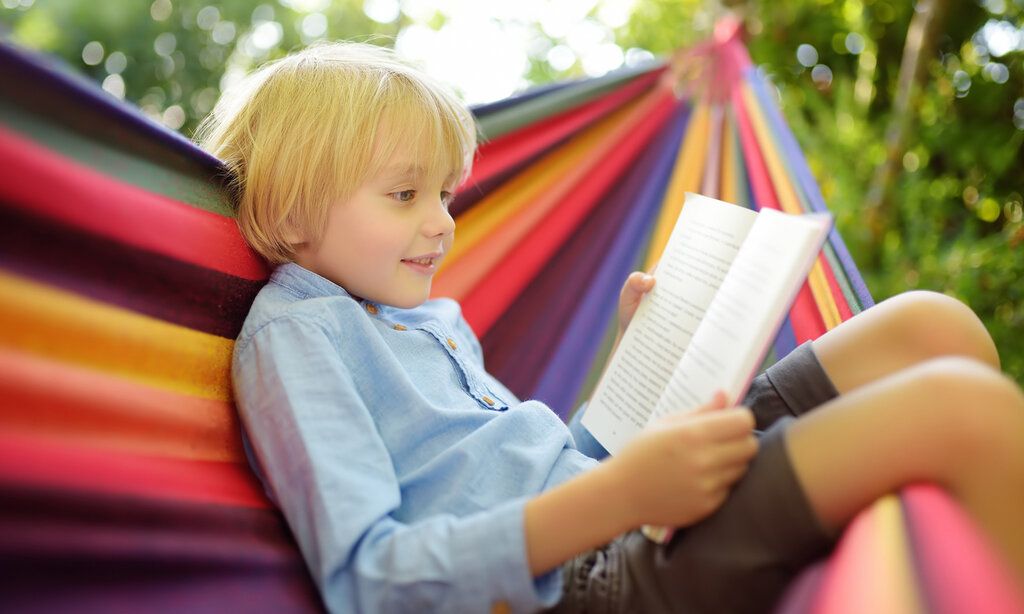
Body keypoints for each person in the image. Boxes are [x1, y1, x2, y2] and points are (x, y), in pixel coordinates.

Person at [197, 41, 1024, 613]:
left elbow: (549, 466)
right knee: (958, 412)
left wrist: (633, 369)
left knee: (925, 327)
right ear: (295, 208)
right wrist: (622, 495)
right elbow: (374, 584)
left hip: (621, 505)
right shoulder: (299, 338)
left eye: (444, 194)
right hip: (582, 583)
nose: (442, 223)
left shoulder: (429, 318)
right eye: (405, 195)